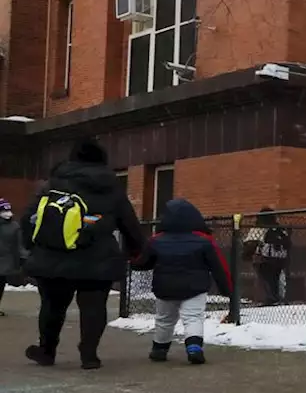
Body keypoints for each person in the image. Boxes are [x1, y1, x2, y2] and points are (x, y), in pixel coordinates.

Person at [22, 138, 145, 369]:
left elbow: (30, 218)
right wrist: (137, 250)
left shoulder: (53, 185)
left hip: (52, 258)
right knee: (94, 307)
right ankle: (89, 354)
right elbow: (129, 224)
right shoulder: (111, 187)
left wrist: (32, 247)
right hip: (98, 259)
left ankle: (47, 351)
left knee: (52, 306)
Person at [134, 198, 233, 364]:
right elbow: (219, 266)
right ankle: (194, 348)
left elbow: (143, 263)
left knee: (164, 318)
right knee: (193, 317)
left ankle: (159, 349)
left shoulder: (156, 240)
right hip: (195, 286)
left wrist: (133, 261)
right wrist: (227, 289)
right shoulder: (204, 240)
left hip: (164, 287)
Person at [244, 207, 291, 306]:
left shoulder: (260, 227)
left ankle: (271, 298)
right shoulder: (280, 228)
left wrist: (246, 254)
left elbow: (251, 243)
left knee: (266, 278)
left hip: (264, 258)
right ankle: (278, 297)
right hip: (280, 258)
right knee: (276, 277)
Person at [0, 198, 27, 316]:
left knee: (0, 285)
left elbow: (19, 244)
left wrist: (23, 257)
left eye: (8, 210)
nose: (7, 213)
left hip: (5, 262)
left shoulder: (14, 226)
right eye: (4, 211)